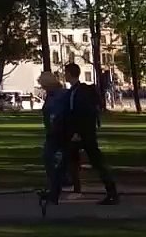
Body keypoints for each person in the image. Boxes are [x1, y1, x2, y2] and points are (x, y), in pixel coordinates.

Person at [61, 63, 118, 205]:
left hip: (84, 134)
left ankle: (111, 192)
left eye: (65, 73)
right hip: (81, 133)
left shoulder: (79, 92)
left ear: (69, 74)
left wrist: (77, 132)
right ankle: (68, 189)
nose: (64, 75)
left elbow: (83, 114)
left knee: (95, 162)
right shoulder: (75, 91)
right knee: (70, 160)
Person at [39, 72, 67, 203]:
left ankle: (56, 188)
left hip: (58, 132)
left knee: (51, 158)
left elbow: (56, 113)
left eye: (43, 85)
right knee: (51, 159)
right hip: (54, 132)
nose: (43, 88)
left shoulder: (58, 95)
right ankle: (55, 189)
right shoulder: (52, 95)